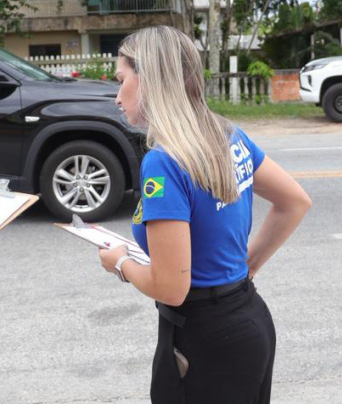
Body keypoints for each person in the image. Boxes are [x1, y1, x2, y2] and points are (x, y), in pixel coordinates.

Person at [98, 25, 311, 403]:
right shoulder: (228, 134)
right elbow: (294, 201)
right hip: (248, 317)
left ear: (149, 79)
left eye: (121, 79)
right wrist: (248, 266)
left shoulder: (163, 162)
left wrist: (120, 264)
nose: (117, 97)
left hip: (204, 338)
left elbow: (171, 288)